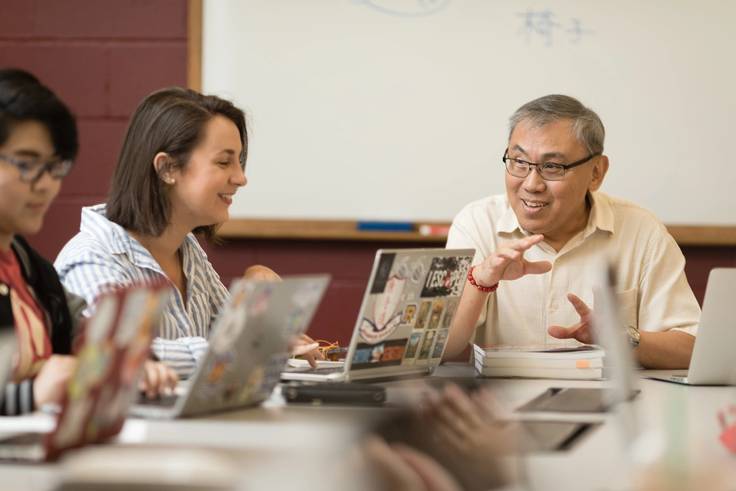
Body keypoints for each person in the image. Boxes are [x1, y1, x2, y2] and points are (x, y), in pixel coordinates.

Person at [55, 87, 322, 378]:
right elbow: (120, 354)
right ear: (168, 168)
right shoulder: (92, 259)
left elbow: (235, 341)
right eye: (224, 162)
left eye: (240, 162)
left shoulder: (186, 248)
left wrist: (259, 301)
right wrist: (250, 344)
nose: (241, 178)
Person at [443, 94, 699, 369]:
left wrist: (618, 337)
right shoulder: (477, 223)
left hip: (612, 406)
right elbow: (442, 348)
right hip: (500, 406)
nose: (531, 183)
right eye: (519, 162)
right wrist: (480, 279)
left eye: (552, 167)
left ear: (596, 173)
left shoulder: (642, 231)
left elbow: (692, 348)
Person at [0, 69, 175, 415]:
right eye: (27, 164)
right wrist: (30, 396)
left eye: (55, 167)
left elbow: (87, 329)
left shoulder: (28, 266)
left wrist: (132, 362)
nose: (46, 184)